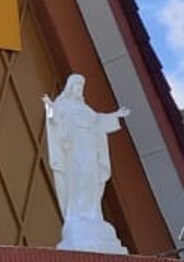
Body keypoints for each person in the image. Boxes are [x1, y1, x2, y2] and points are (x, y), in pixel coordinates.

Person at [42, 74, 129, 251]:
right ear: (70, 87)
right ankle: (77, 216)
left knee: (90, 180)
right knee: (79, 181)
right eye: (77, 85)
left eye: (82, 86)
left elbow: (98, 121)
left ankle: (92, 215)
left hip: (89, 149)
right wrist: (50, 107)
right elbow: (55, 119)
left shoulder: (85, 109)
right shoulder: (63, 105)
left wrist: (116, 115)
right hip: (74, 151)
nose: (79, 89)